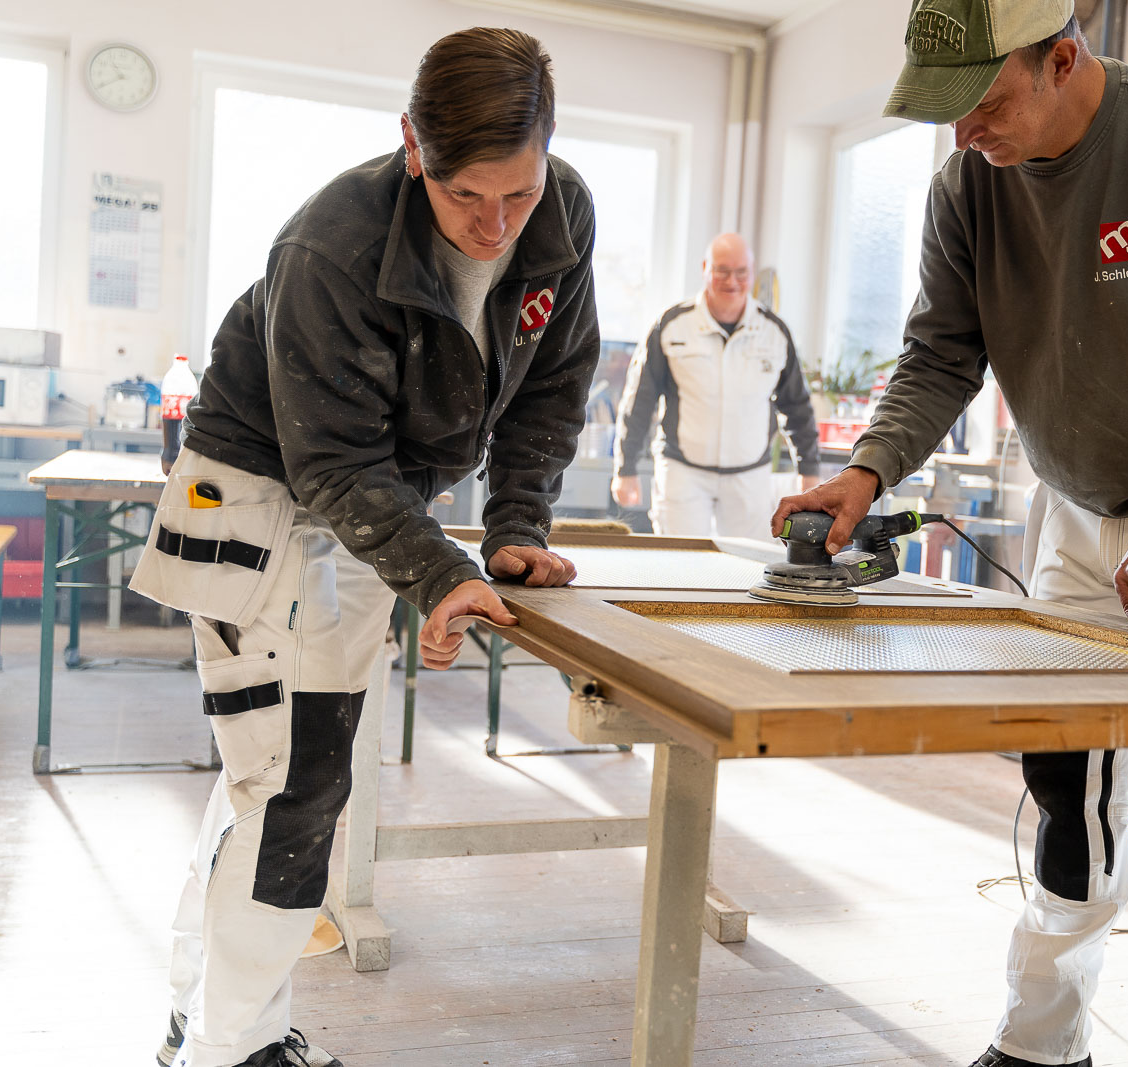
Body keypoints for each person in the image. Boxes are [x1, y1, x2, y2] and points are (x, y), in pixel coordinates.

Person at [772, 3, 1128, 1066]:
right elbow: (941, 353)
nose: (965, 132)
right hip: (1077, 508)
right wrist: (867, 469)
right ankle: (1042, 1039)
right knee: (1065, 779)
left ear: (1062, 58)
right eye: (947, 113)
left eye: (982, 103)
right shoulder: (967, 184)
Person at [128, 27, 597, 1067]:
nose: (495, 227)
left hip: (366, 509)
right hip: (259, 499)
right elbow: (333, 460)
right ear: (412, 146)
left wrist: (516, 528)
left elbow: (555, 386)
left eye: (517, 194)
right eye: (465, 196)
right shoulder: (329, 245)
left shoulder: (562, 210)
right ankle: (232, 1049)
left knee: (270, 776)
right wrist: (438, 570)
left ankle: (203, 1020)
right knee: (292, 788)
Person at [612, 233, 820, 537]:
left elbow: (796, 406)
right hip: (683, 473)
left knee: (747, 562)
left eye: (741, 272)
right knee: (680, 562)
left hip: (750, 477)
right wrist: (625, 468)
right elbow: (639, 401)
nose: (732, 281)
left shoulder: (774, 332)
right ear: (705, 268)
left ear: (752, 273)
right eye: (722, 270)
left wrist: (809, 469)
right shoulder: (671, 326)